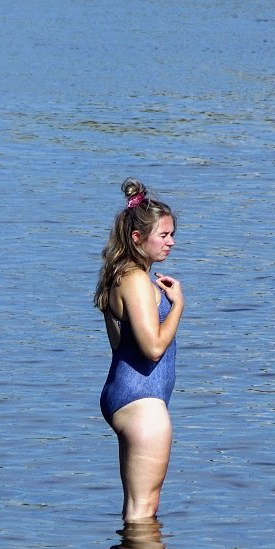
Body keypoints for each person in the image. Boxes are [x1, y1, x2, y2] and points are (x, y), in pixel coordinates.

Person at [94, 179, 184, 522]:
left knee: (136, 507)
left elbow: (119, 343)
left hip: (125, 393)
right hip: (142, 402)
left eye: (172, 234)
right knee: (144, 511)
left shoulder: (119, 276)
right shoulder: (134, 281)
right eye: (163, 235)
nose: (171, 242)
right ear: (137, 238)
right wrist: (177, 306)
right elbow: (153, 348)